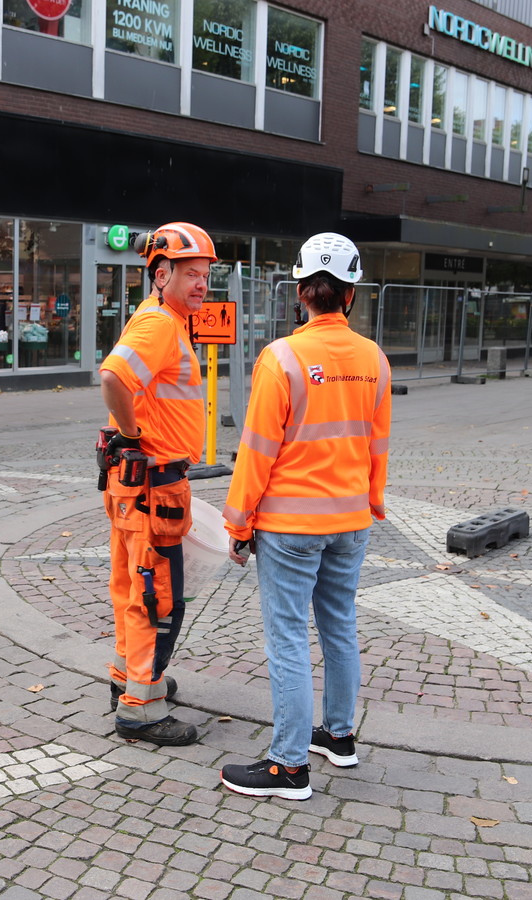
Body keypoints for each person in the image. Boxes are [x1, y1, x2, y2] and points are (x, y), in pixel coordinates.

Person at [219, 232, 391, 799]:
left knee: (288, 636)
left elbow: (257, 450)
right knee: (339, 625)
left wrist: (239, 525)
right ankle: (338, 737)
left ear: (300, 293)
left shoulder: (282, 357)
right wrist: (372, 502)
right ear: (350, 296)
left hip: (291, 526)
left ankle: (289, 765)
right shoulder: (375, 358)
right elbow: (377, 444)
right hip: (349, 521)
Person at [99, 221, 217, 746]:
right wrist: (134, 434)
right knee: (156, 596)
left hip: (136, 487)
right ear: (161, 273)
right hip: (153, 488)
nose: (201, 285)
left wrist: (131, 439)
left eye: (205, 275)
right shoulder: (161, 325)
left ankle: (129, 677)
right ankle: (141, 707)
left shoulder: (160, 319)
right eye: (191, 274)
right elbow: (113, 378)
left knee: (131, 586)